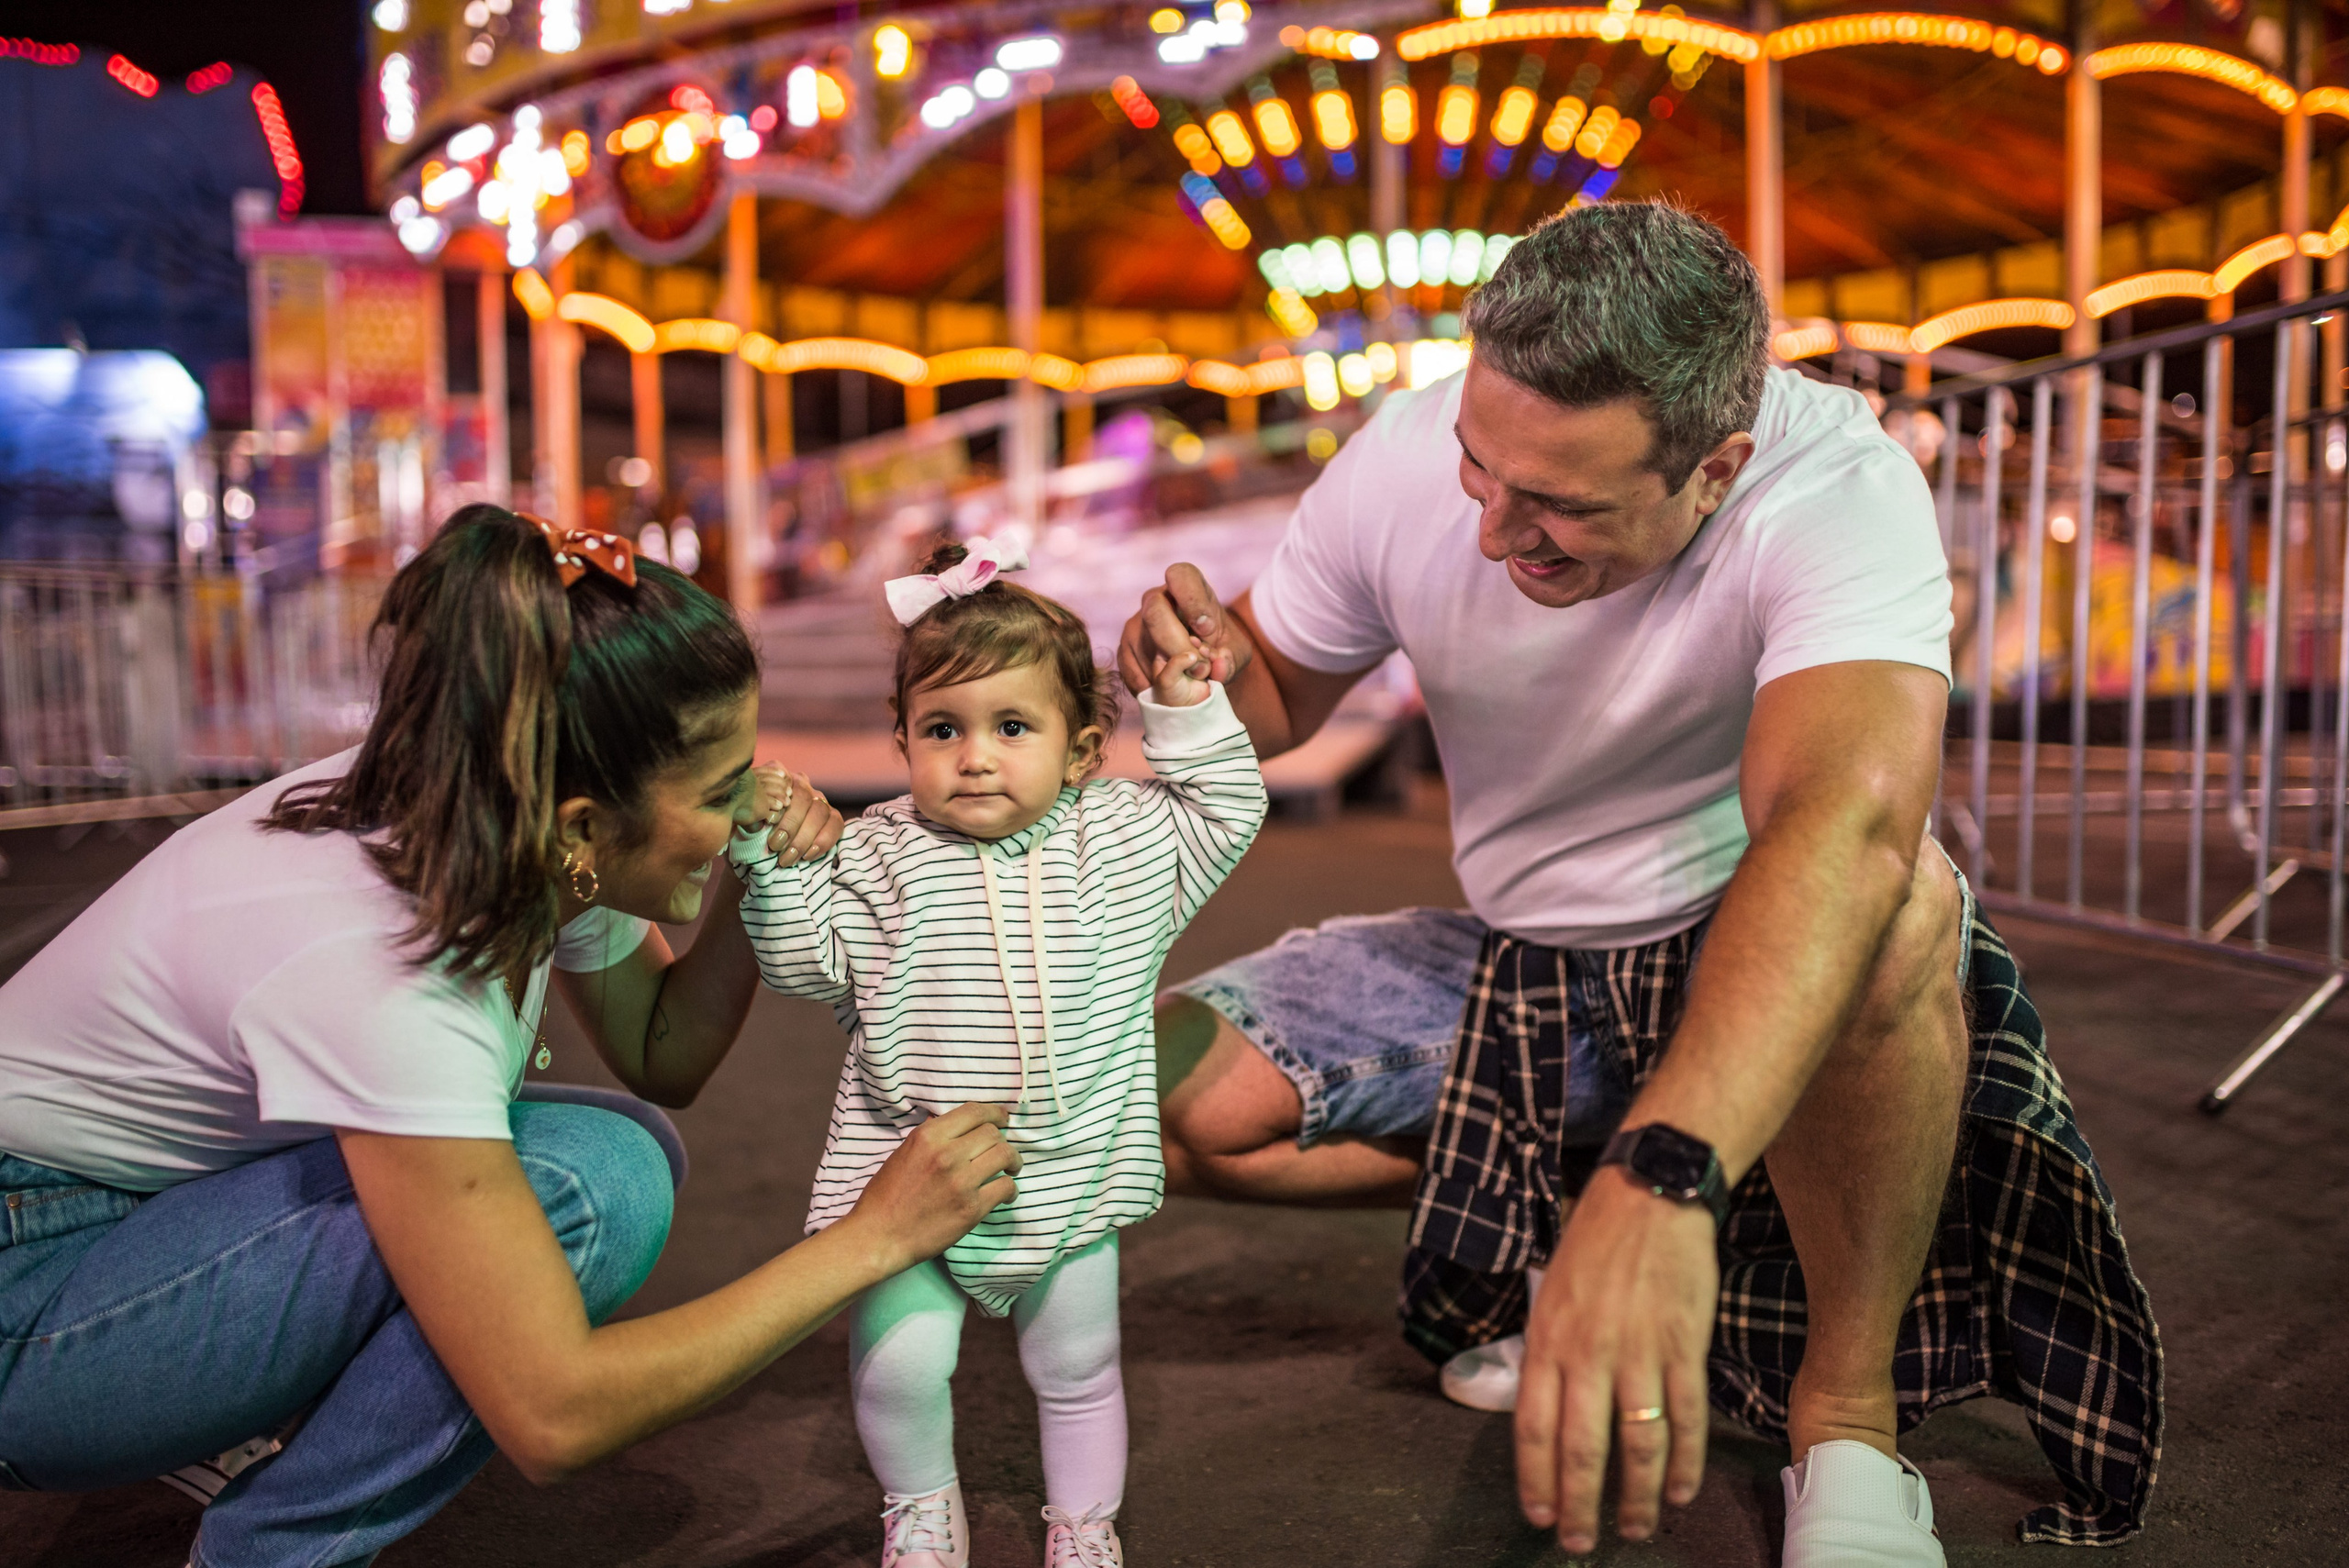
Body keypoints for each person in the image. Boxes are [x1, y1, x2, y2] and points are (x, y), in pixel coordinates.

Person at [1122, 202, 2161, 1562]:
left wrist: (1663, 1177)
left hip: (1738, 947)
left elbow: (1841, 829)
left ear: (1718, 465)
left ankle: (1847, 1424)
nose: (1497, 533)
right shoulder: (1409, 454)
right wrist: (1191, 679)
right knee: (1127, 1102)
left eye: (1559, 506)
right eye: (1480, 472)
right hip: (1518, 969)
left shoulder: (1836, 485)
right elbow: (1275, 697)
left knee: (1900, 904)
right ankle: (1579, 1233)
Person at [0, 506, 1021, 1568]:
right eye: (722, 792)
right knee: (585, 1191)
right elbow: (554, 1413)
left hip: (106, 1214)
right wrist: (871, 1238)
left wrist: (750, 877)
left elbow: (662, 1053)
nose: (752, 804)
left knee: (621, 1154)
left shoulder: (498, 797)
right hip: (27, 1284)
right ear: (581, 826)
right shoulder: (390, 966)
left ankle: (228, 1417)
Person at [732, 538, 1267, 1568]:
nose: (974, 753)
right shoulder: (873, 851)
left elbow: (1227, 805)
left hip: (1071, 1181)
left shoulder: (1125, 842)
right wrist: (773, 859)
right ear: (901, 739)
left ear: (1079, 748)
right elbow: (803, 966)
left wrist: (1190, 709)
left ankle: (1082, 1521)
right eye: (942, 727)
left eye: (1011, 725)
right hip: (906, 1181)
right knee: (899, 1366)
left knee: (1079, 1364)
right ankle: (923, 1510)